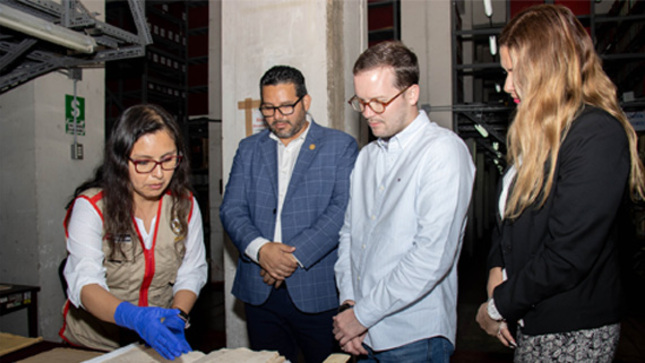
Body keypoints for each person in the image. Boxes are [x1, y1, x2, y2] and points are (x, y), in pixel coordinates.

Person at [475, 5, 645, 362]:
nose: (507, 86)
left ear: (545, 68)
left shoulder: (595, 133)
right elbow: (508, 220)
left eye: (513, 72)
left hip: (573, 330)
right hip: (530, 318)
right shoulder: (538, 135)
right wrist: (495, 270)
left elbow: (568, 254)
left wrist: (497, 305)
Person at [333, 41, 476, 362]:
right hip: (362, 332)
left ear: (412, 94)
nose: (368, 112)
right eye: (361, 101)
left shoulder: (442, 152)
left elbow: (430, 257)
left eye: (380, 101)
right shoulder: (366, 157)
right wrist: (350, 305)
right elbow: (349, 237)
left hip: (413, 335)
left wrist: (362, 315)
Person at [220, 65, 358, 363]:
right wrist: (261, 250)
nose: (277, 116)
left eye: (285, 106)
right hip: (261, 290)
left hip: (317, 291)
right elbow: (232, 209)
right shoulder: (248, 149)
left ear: (305, 102)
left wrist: (289, 258)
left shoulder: (339, 146)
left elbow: (341, 211)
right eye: (268, 108)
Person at [59, 104, 208, 360]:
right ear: (120, 160)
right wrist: (132, 317)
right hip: (96, 344)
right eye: (143, 163)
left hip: (155, 342)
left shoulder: (185, 206)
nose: (159, 174)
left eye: (168, 159)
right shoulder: (92, 207)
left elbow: (191, 270)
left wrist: (176, 317)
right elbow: (84, 281)